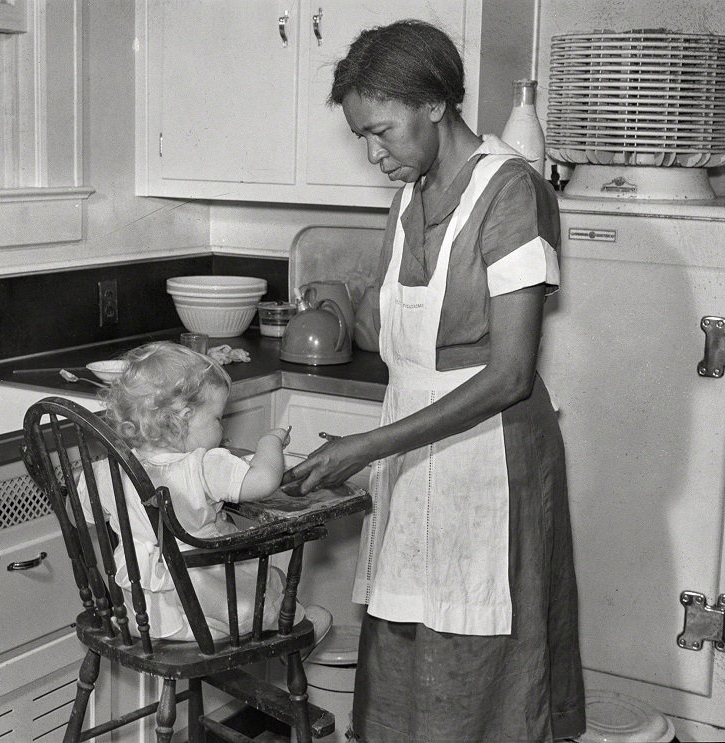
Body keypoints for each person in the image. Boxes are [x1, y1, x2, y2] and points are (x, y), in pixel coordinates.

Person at [281, 19, 586, 743]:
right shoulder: (408, 197)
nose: (372, 152)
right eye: (362, 134)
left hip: (492, 462)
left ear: (436, 105)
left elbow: (510, 374)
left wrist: (368, 445)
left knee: (482, 663)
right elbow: (403, 342)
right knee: (406, 654)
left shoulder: (513, 192)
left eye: (382, 130)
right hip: (416, 460)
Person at [91, 341, 331, 644]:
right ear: (184, 417)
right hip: (211, 615)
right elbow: (264, 481)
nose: (222, 427)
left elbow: (87, 510)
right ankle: (295, 625)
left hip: (146, 617)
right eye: (218, 418)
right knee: (268, 584)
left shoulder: (108, 469)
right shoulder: (204, 466)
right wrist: (269, 441)